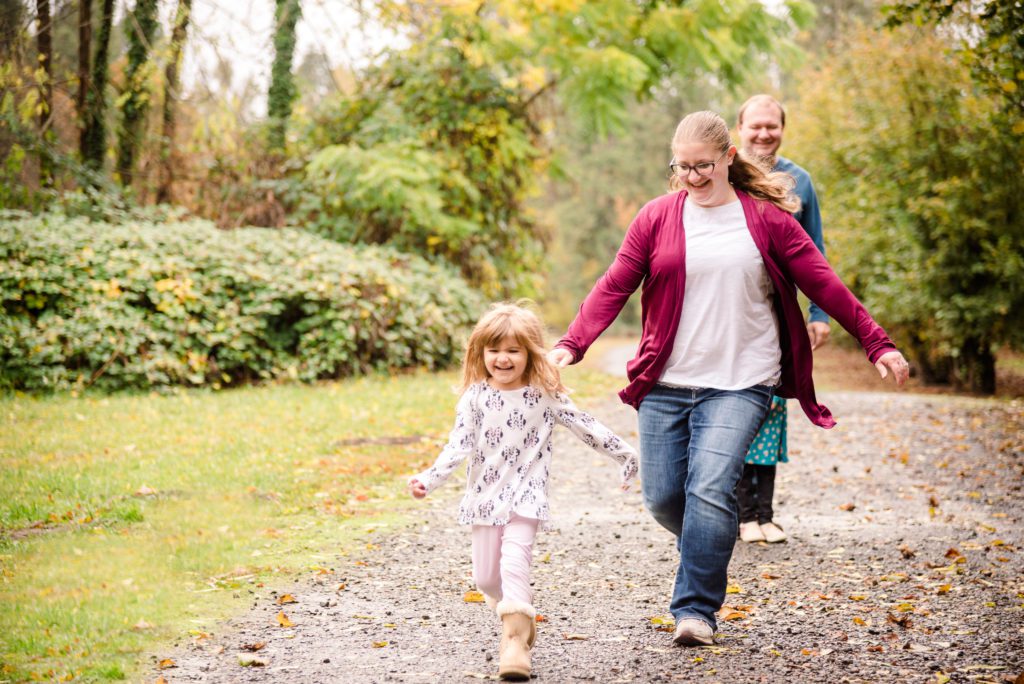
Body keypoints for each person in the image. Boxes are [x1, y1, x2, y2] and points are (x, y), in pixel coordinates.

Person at [547, 111, 909, 648]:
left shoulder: (766, 221)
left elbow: (824, 283)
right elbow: (613, 285)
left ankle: (695, 610)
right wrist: (570, 344)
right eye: (682, 167)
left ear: (728, 159)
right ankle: (708, 545)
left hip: (742, 381)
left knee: (710, 487)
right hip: (667, 383)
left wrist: (876, 340)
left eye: (703, 167)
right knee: (664, 498)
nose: (691, 177)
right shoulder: (656, 218)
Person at [408, 302, 639, 681]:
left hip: (526, 496)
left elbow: (586, 425)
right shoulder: (475, 398)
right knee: (486, 579)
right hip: (485, 497)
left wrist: (624, 454)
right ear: (480, 353)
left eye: (513, 350)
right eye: (495, 349)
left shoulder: (544, 396)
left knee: (515, 563)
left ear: (530, 353)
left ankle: (514, 644)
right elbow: (458, 446)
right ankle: (520, 617)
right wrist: (428, 479)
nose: (503, 358)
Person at [734, 94, 828, 544]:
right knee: (730, 404)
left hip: (777, 316)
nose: (764, 134)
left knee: (770, 409)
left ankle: (764, 513)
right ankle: (739, 515)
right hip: (730, 313)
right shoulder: (724, 175)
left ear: (782, 129)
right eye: (755, 126)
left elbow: (815, 253)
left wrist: (819, 312)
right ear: (739, 129)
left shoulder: (800, 181)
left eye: (772, 126)